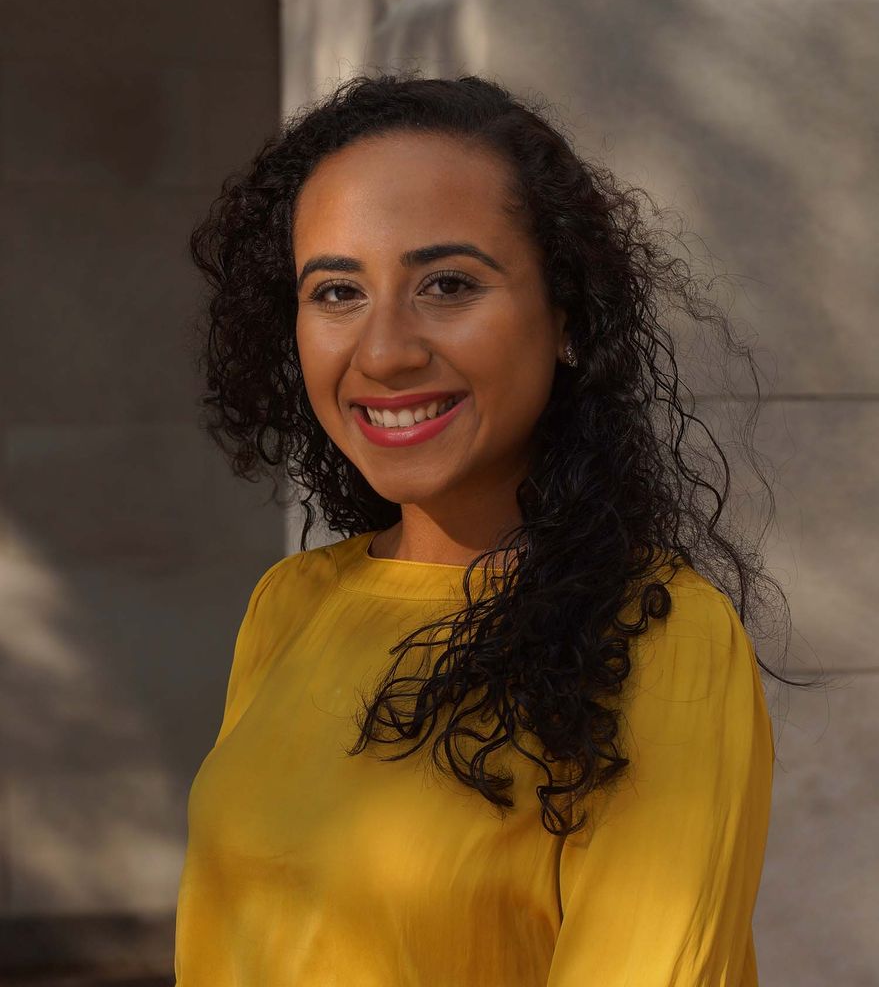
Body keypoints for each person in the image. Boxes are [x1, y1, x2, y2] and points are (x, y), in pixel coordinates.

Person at [173, 70, 796, 985]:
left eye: (448, 283)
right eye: (337, 292)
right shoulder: (291, 605)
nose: (383, 351)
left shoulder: (660, 635)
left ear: (568, 318)